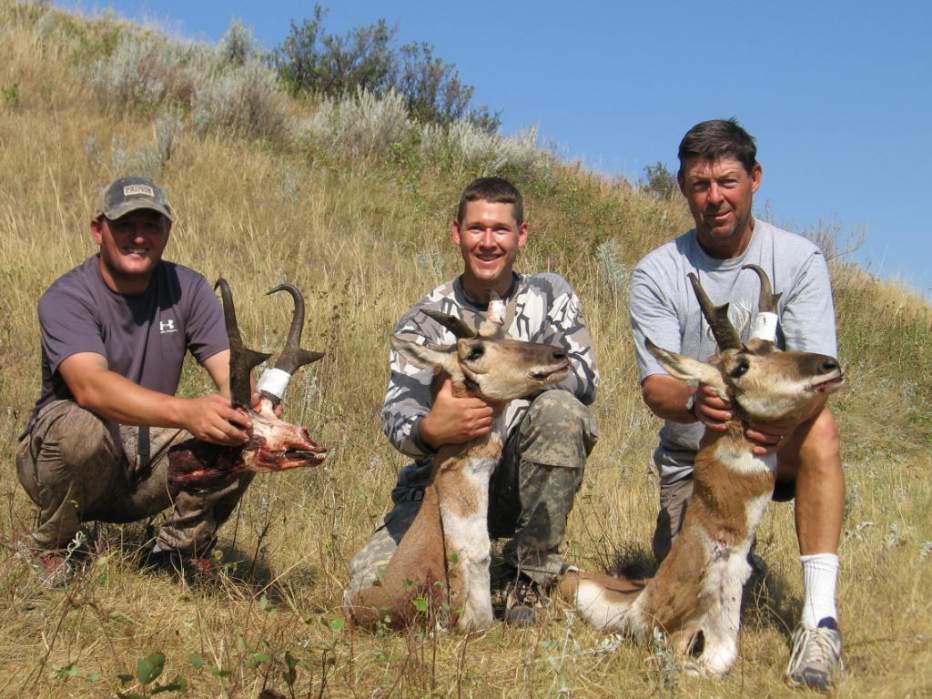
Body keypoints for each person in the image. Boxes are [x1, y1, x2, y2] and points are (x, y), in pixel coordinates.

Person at [629, 119, 844, 690]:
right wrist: (699, 403)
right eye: (700, 184)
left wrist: (770, 423)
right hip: (699, 462)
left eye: (727, 181)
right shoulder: (656, 272)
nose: (714, 197)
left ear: (755, 179)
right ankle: (744, 563)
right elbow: (657, 388)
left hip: (782, 443)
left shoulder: (798, 259)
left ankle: (820, 621)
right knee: (675, 604)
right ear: (682, 187)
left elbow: (821, 375)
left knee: (822, 431)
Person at [346, 176, 599, 625]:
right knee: (375, 602)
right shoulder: (426, 319)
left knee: (562, 413)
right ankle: (486, 566)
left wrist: (510, 373)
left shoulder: (550, 295)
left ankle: (530, 576)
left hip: (522, 474)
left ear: (521, 234)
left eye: (500, 229)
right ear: (456, 232)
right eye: (476, 229)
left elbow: (584, 379)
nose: (487, 242)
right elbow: (396, 415)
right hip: (444, 484)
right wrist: (431, 428)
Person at [15, 176, 254, 586]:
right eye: (125, 225)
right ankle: (52, 546)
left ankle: (182, 550)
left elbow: (227, 367)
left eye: (150, 225)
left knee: (242, 429)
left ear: (167, 232)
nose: (138, 238)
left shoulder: (189, 288)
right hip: (73, 452)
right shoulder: (67, 296)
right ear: (98, 230)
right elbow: (91, 388)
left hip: (146, 454)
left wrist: (255, 408)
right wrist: (186, 412)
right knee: (79, 431)